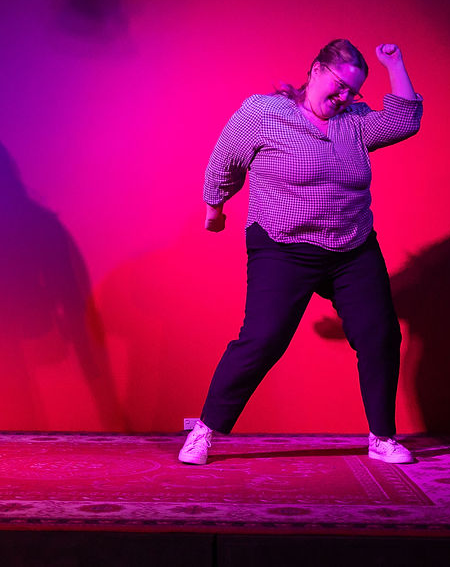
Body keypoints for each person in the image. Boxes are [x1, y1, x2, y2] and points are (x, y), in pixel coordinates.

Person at [179, 39, 422, 465]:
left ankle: (382, 437)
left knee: (380, 334)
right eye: (340, 86)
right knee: (264, 339)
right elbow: (225, 160)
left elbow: (405, 120)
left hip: (351, 246)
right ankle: (205, 431)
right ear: (315, 70)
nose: (345, 98)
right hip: (282, 243)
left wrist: (394, 63)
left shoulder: (356, 122)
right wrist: (214, 207)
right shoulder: (264, 114)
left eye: (354, 92)